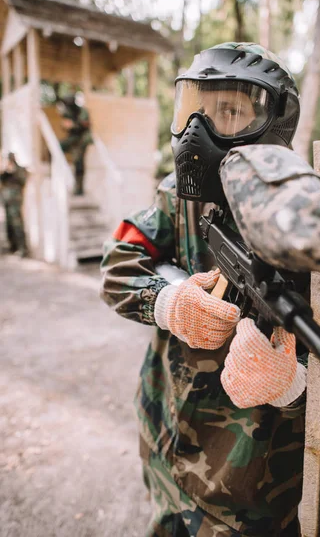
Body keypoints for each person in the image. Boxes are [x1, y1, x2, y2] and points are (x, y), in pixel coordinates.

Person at [100, 42, 306, 536]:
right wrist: (168, 301)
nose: (198, 131)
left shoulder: (306, 221)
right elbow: (117, 265)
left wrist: (295, 386)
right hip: (164, 437)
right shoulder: (177, 195)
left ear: (271, 124)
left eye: (229, 111)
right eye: (195, 109)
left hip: (244, 492)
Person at [58, 93, 93, 195]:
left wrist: (74, 125)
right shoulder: (68, 111)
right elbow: (65, 125)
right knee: (59, 147)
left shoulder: (83, 111)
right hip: (73, 139)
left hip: (82, 140)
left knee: (79, 164)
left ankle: (79, 189)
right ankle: (60, 173)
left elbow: (85, 125)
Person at [0, 152, 29, 257]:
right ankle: (12, 247)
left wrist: (14, 171)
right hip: (6, 201)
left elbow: (23, 181)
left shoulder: (19, 169)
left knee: (17, 225)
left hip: (15, 202)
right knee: (9, 225)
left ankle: (22, 248)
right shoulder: (5, 170)